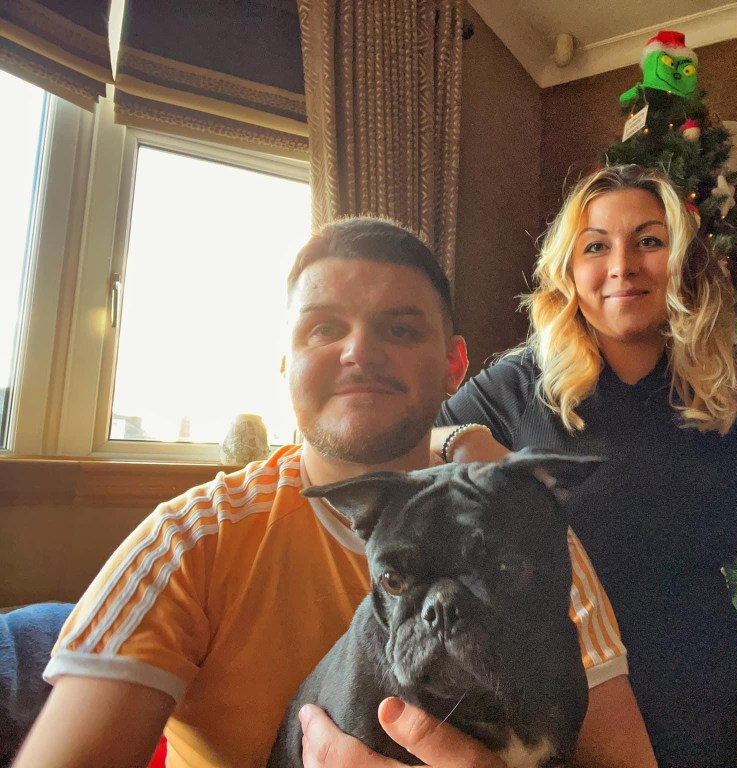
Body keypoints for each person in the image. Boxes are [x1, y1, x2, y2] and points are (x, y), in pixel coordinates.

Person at [13, 217, 656, 768]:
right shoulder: (187, 542)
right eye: (323, 329)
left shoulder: (531, 527)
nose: (359, 351)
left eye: (400, 329)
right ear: (284, 362)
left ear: (454, 365)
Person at [434, 165, 737, 768]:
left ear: (682, 263)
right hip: (556, 710)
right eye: (596, 247)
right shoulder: (518, 384)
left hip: (700, 709)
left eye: (649, 241)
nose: (622, 265)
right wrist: (461, 441)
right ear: (569, 272)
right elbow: (415, 442)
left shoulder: (735, 395)